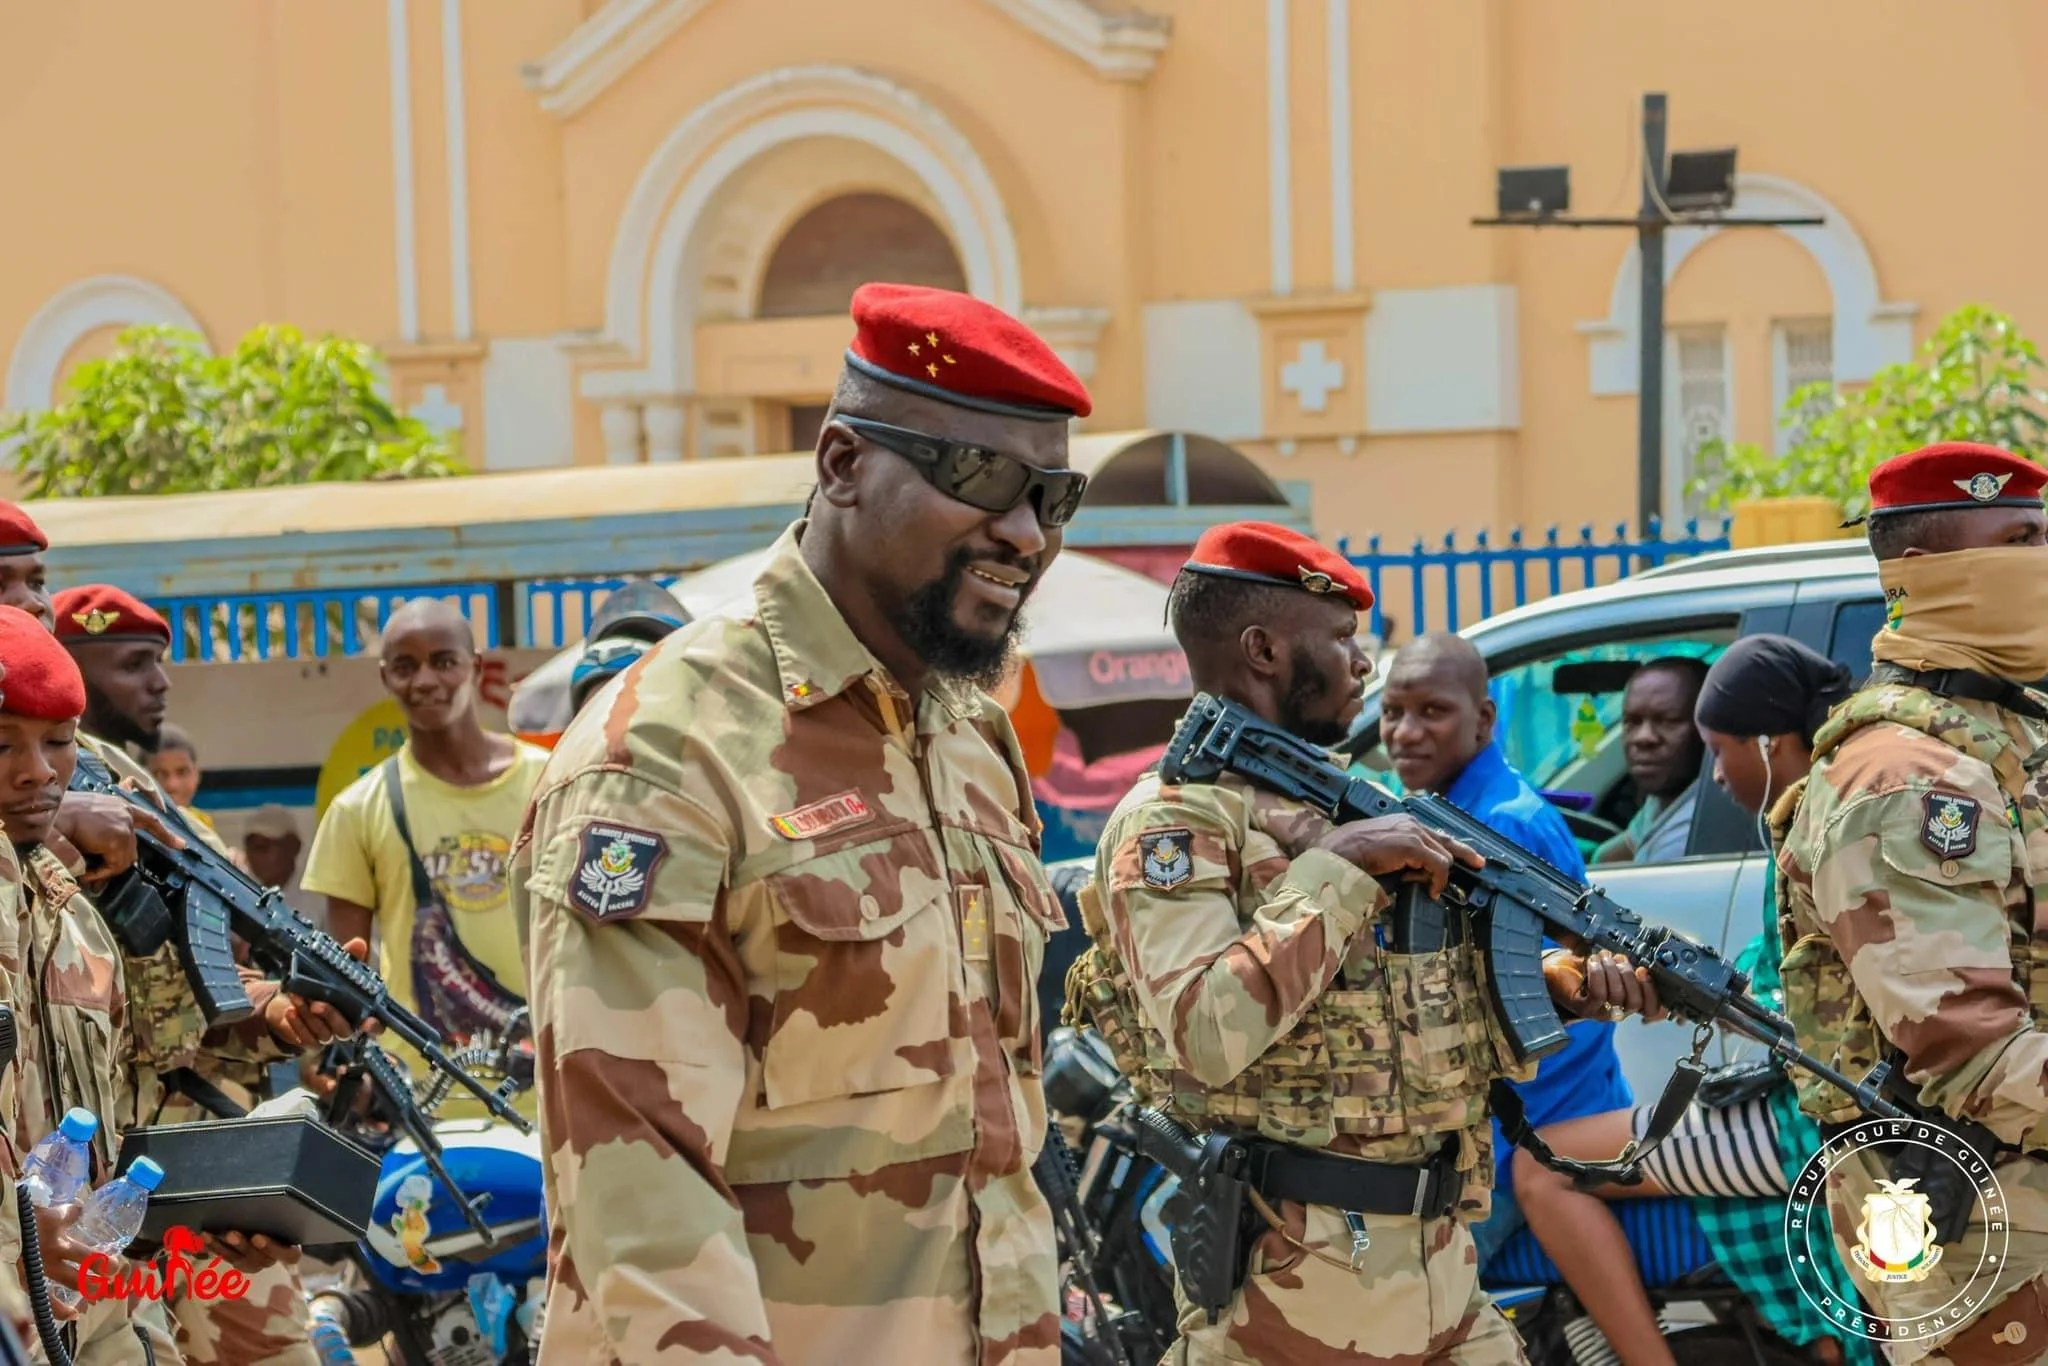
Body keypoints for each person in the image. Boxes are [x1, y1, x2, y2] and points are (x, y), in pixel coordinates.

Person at [512, 282, 1093, 1364]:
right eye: (979, 476)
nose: (1023, 533)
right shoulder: (669, 748)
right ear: (841, 463)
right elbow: (642, 1206)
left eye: (1053, 497)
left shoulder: (968, 736)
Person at [1072, 521, 1663, 1365]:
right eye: (1343, 639)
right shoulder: (1175, 821)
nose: (1362, 665)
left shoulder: (1351, 801)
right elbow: (1204, 1030)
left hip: (1440, 1271)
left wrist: (1563, 984)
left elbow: (1412, 1002)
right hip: (1294, 1292)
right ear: (1264, 650)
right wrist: (1341, 868)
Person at [1515, 634, 1872, 1366]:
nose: (1714, 774)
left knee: (1541, 1169)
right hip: (1818, 1112)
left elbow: (1809, 1011)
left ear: (1769, 745)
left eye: (1718, 751)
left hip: (1805, 1125)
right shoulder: (1834, 812)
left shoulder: (1819, 835)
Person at [1777, 442, 2048, 1364]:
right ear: (1927, 572)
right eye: (2020, 541)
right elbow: (1967, 1051)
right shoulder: (1904, 778)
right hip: (1994, 1234)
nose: (2044, 561)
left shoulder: (2004, 732)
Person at [52, 587, 352, 1366]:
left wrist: (278, 1013)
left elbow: (188, 989)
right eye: (134, 665)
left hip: (187, 1158)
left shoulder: (129, 785)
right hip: (81, 1182)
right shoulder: (39, 799)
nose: (160, 683)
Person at [1381, 634, 1634, 1267]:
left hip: (1532, 1126)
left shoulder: (1503, 825)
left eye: (1433, 711)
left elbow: (1549, 1001)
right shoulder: (1448, 812)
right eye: (1392, 712)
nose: (1405, 732)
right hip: (1501, 1119)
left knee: (1404, 1282)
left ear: (1484, 719)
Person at [0, 604, 185, 1363]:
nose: (37, 771)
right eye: (2, 743)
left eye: (59, 741)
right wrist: (13, 1236)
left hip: (87, 1310)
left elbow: (105, 1129)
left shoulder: (73, 914)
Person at [301, 598, 547, 1112]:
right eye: (405, 666)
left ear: (475, 667)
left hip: (549, 1089)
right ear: (385, 677)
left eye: (444, 661)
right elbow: (345, 973)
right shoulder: (358, 810)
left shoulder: (549, 782)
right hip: (419, 1103)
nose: (425, 680)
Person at [1592, 657, 1710, 864]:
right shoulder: (1668, 797)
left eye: (1668, 721)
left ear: (1707, 728)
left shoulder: (1702, 825)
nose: (1643, 737)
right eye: (1632, 721)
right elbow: (1607, 855)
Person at [145, 723, 211, 827]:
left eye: (182, 772)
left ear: (197, 774)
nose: (172, 785)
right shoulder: (131, 826)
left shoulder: (202, 822)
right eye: (160, 774)